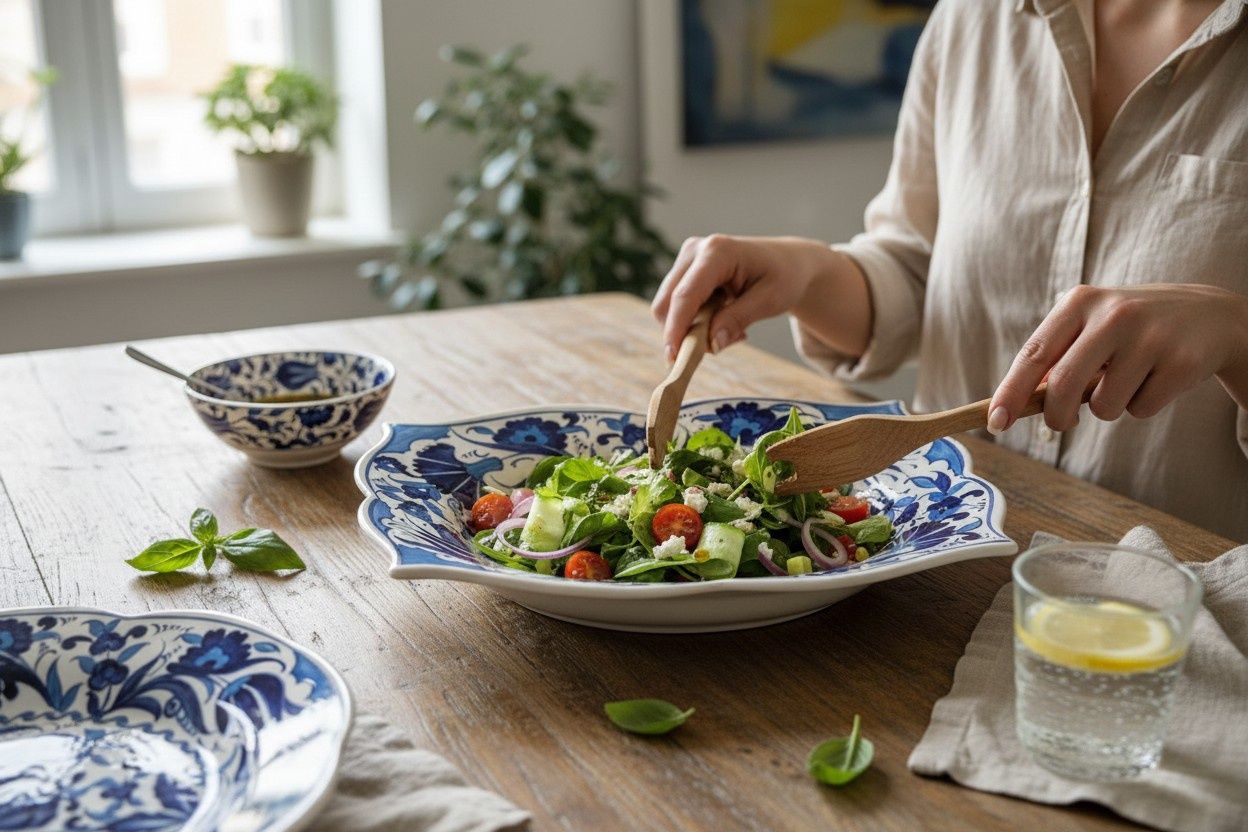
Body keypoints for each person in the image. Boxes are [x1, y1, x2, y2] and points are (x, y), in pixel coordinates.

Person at [652, 0, 1248, 541]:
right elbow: (920, 270)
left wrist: (1236, 333)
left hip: (1185, 604)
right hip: (942, 568)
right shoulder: (974, 15)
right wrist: (807, 272)